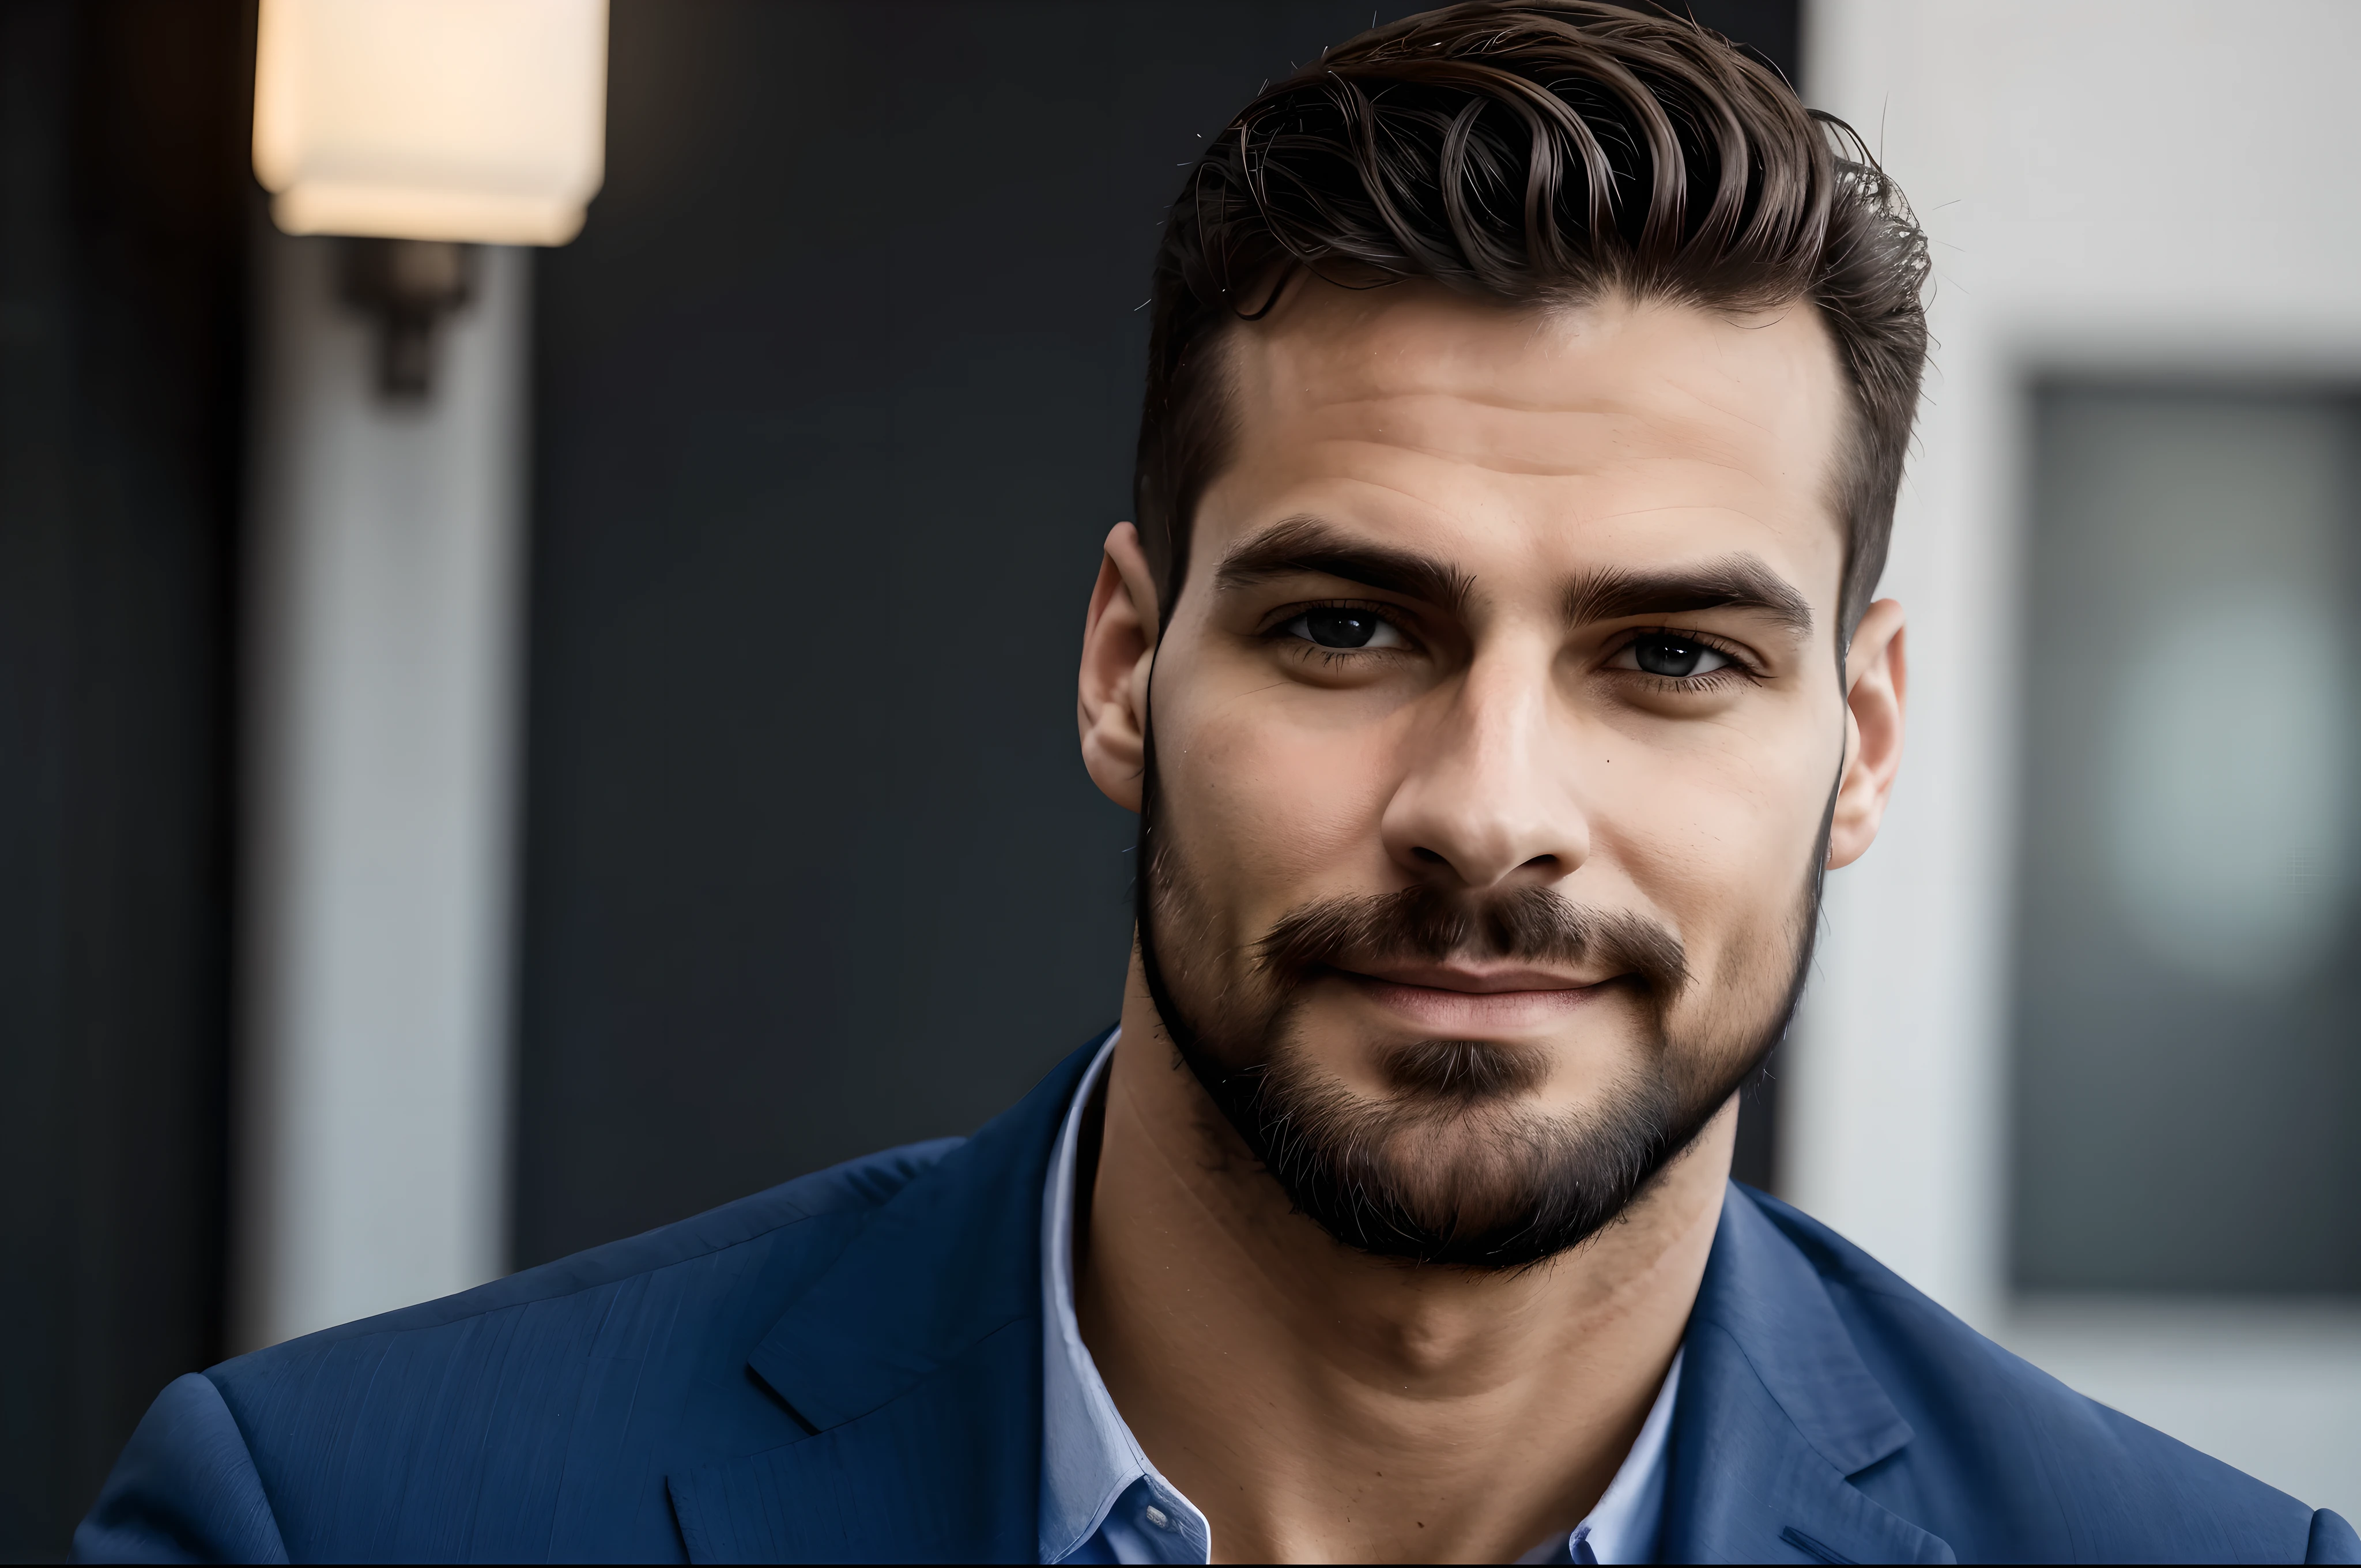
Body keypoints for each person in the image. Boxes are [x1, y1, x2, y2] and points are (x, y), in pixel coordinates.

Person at [76, 3, 2358, 1562]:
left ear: (1855, 739)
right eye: (1348, 624)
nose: (1491, 804)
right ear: (1120, 664)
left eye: (1668, 653)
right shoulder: (348, 1515)